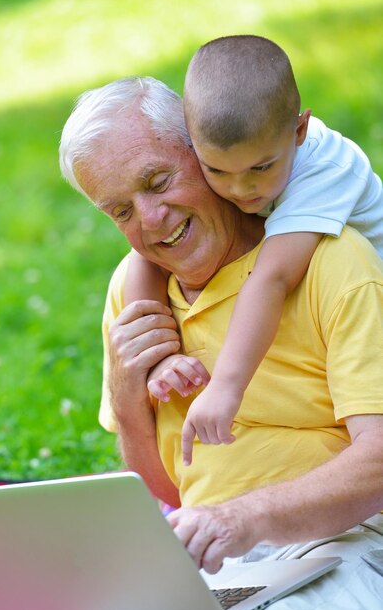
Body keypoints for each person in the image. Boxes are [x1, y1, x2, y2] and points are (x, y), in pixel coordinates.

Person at [59, 76, 383, 610]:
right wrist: (125, 391)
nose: (151, 220)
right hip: (219, 563)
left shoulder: (331, 259)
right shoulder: (135, 292)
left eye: (158, 182)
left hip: (345, 542)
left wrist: (241, 519)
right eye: (120, 211)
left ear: (203, 152)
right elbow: (170, 486)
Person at [124, 35, 383, 466]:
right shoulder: (242, 159)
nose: (241, 189)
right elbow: (145, 254)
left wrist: (225, 387)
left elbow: (273, 278)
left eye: (261, 168)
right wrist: (159, 358)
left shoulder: (327, 172)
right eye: (216, 171)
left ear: (299, 131)